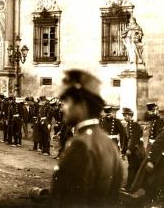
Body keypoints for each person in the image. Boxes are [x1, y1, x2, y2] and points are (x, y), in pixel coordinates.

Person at [49, 70, 123, 207]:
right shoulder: (108, 143)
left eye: (66, 102)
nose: (62, 108)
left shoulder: (80, 145)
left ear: (82, 105)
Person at [122, 107, 145, 191]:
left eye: (126, 115)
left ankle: (130, 187)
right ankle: (133, 186)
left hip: (137, 151)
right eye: (124, 115)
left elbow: (135, 138)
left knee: (133, 168)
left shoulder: (135, 125)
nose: (124, 117)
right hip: (132, 151)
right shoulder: (127, 125)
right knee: (133, 168)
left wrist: (130, 149)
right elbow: (126, 139)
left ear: (130, 115)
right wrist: (123, 151)